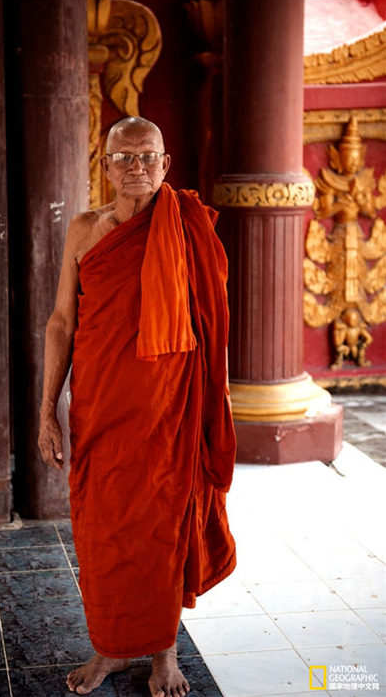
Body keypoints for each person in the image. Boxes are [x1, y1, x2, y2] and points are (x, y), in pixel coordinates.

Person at [38, 116, 237, 697]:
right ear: (105, 165)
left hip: (167, 409)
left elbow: (209, 322)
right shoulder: (85, 230)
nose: (137, 167)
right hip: (100, 405)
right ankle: (109, 647)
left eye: (148, 156)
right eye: (123, 157)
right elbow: (61, 322)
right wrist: (47, 410)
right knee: (103, 528)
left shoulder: (186, 226)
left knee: (161, 527)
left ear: (165, 163)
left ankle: (163, 654)